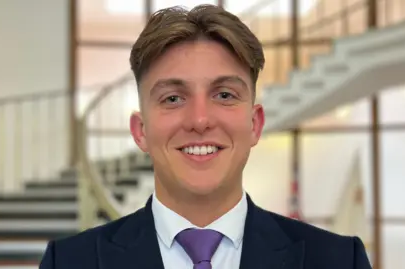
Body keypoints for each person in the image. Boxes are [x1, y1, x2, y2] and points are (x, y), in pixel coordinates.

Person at [40, 4, 372, 269]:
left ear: (255, 124)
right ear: (141, 132)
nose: (200, 119)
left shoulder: (339, 260)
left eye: (224, 95)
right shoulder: (69, 262)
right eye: (173, 98)